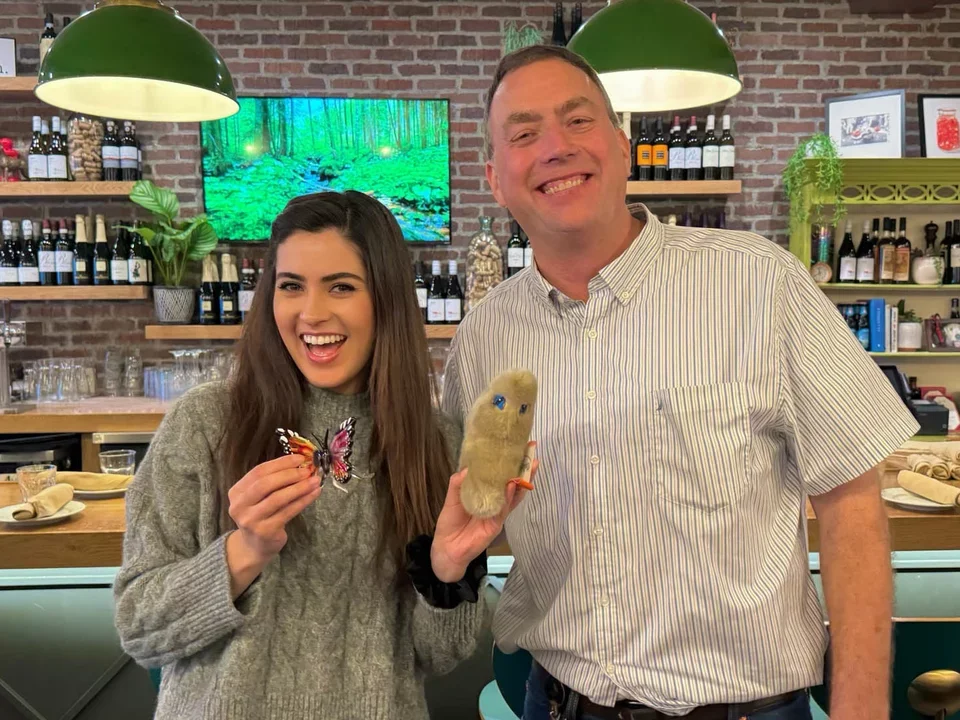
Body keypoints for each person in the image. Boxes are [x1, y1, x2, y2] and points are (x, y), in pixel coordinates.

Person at [442, 45, 918, 720]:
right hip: (554, 703)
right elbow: (462, 518)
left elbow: (852, 505)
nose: (554, 147)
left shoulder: (758, 282)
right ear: (495, 178)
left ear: (622, 145)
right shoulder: (483, 339)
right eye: (523, 134)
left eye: (577, 121)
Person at [113, 191, 525, 720]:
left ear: (386, 299)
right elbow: (140, 629)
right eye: (291, 287)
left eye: (341, 287)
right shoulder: (205, 423)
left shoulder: (435, 443)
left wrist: (446, 572)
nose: (311, 313)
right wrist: (244, 551)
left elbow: (440, 654)